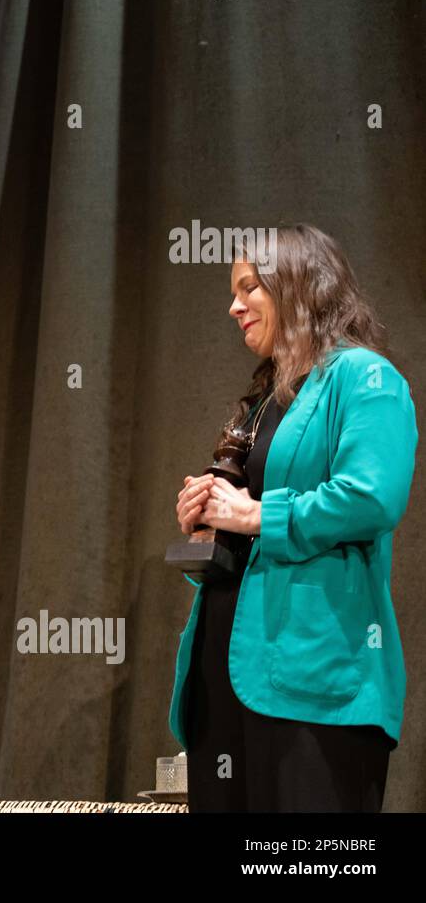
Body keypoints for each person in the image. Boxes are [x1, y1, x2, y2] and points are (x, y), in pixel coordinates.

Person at [168, 223, 417, 811]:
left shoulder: (365, 378)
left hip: (314, 678)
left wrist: (255, 515)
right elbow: (247, 525)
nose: (233, 307)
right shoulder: (264, 401)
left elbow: (370, 498)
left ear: (299, 286)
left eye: (248, 287)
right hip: (229, 670)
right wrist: (207, 516)